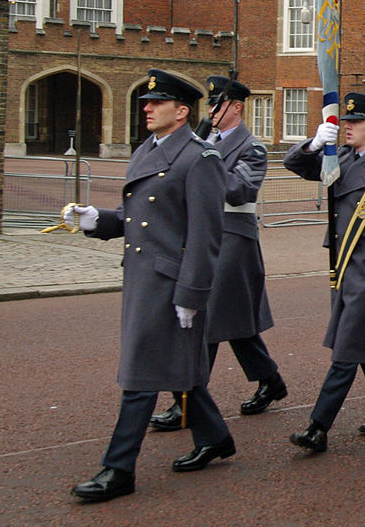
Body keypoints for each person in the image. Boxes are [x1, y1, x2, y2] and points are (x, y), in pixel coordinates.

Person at [65, 69, 233, 502]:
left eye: (157, 103)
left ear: (181, 112)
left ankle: (118, 468)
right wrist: (97, 220)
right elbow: (141, 219)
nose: (147, 107)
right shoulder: (148, 150)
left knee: (141, 374)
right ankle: (214, 437)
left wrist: (192, 295)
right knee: (180, 368)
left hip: (171, 282)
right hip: (142, 276)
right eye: (146, 102)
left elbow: (205, 235)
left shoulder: (201, 159)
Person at [150, 76, 286, 431]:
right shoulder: (199, 142)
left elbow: (239, 190)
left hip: (231, 241)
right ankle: (270, 380)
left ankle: (186, 401)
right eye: (210, 105)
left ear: (237, 107)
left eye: (218, 105)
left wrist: (204, 158)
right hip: (200, 238)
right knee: (234, 323)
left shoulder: (250, 148)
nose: (211, 111)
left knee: (203, 318)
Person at [284, 92, 365, 453]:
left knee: (346, 350)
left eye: (355, 123)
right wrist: (312, 145)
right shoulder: (339, 157)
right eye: (345, 123)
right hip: (343, 267)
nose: (347, 128)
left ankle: (317, 427)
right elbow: (294, 164)